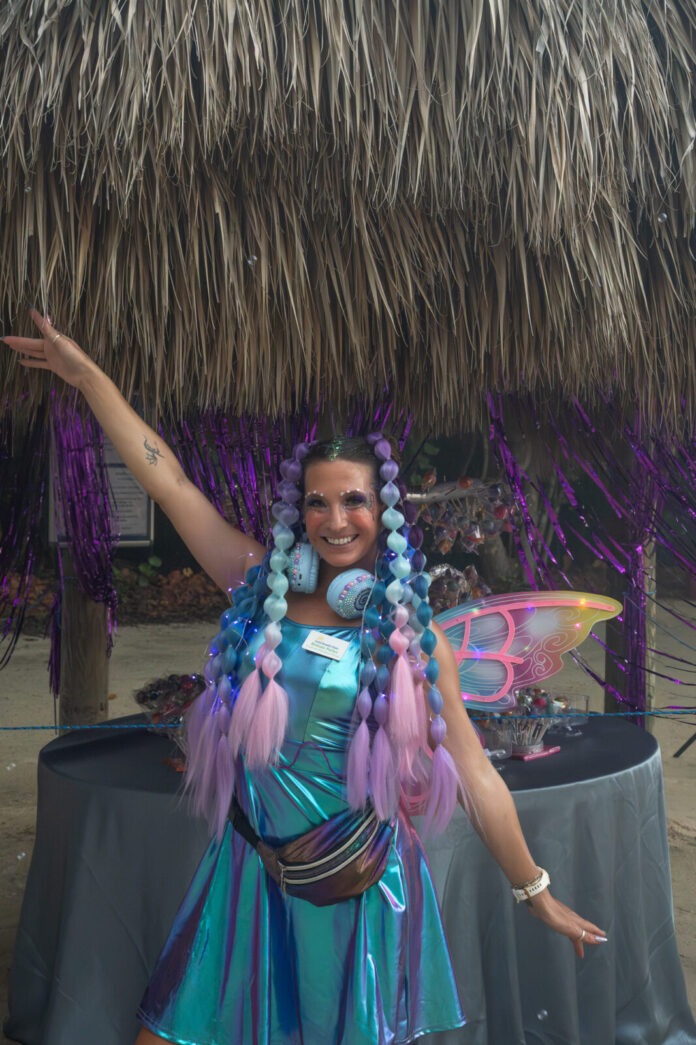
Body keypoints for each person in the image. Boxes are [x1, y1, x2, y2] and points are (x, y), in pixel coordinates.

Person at [2, 312, 606, 1044]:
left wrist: (534, 889)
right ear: (300, 510)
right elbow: (171, 484)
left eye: (353, 498)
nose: (335, 517)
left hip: (351, 882)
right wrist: (88, 378)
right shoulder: (261, 587)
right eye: (318, 500)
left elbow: (476, 772)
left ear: (381, 510)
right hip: (250, 869)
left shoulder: (410, 638)